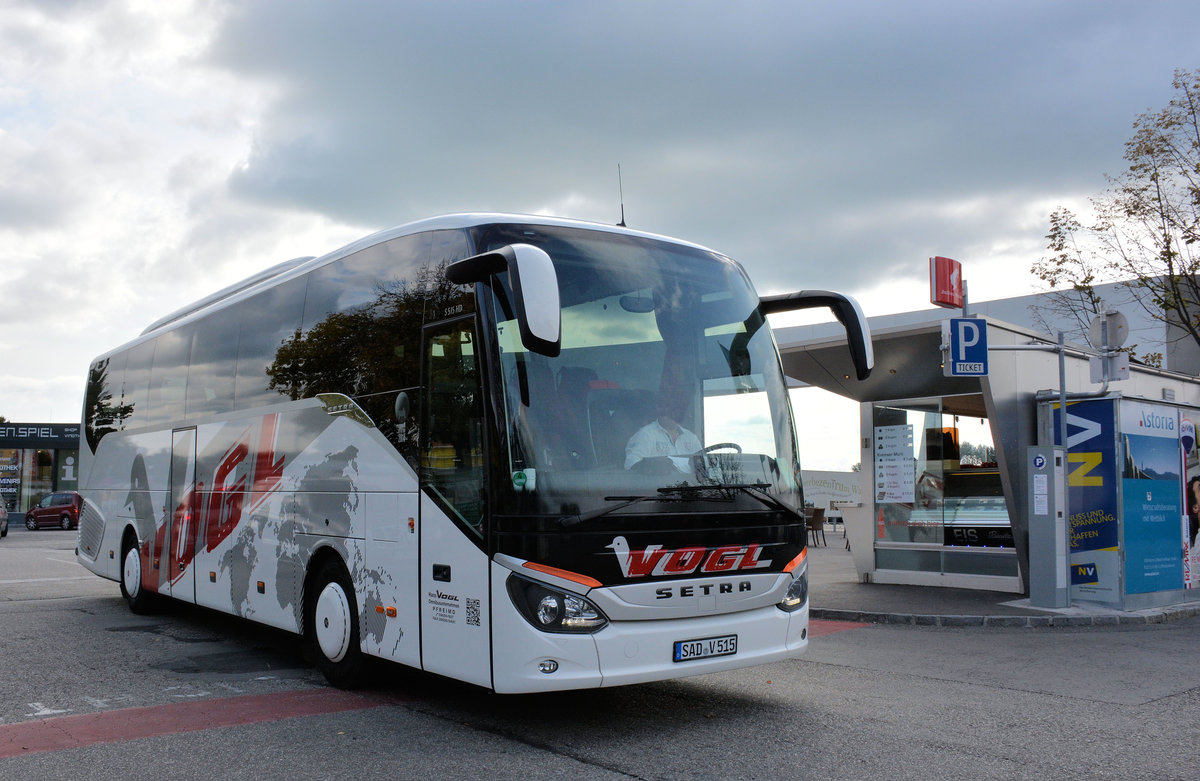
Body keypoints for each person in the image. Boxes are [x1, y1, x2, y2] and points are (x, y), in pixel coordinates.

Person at [624, 395, 701, 469]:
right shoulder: (646, 435)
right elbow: (631, 465)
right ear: (660, 409)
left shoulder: (691, 438)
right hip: (659, 482)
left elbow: (703, 467)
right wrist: (654, 466)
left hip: (689, 482)